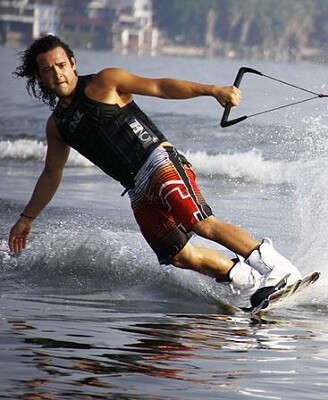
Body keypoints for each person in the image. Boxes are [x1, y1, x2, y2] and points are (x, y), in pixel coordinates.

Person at [7, 35, 302, 307]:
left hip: (158, 161)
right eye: (47, 70)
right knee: (179, 256)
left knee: (200, 222)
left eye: (61, 65)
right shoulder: (58, 125)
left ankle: (277, 269)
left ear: (73, 64)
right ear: (40, 77)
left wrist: (212, 90)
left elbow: (161, 87)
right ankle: (250, 284)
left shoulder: (105, 82)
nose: (57, 73)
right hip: (137, 189)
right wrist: (26, 219)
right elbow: (51, 174)